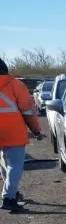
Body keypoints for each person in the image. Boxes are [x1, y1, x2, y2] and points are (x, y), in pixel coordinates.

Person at [0, 58, 44, 212]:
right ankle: (9, 197)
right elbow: (28, 111)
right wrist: (36, 131)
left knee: (4, 162)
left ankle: (12, 192)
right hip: (13, 132)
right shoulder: (16, 85)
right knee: (14, 164)